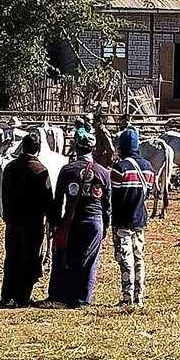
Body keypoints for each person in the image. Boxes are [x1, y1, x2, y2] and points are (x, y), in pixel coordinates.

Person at [48, 132, 111, 308]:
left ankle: (58, 295)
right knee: (89, 261)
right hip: (94, 220)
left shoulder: (68, 170)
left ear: (76, 147)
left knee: (63, 257)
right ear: (93, 149)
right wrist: (105, 225)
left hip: (71, 220)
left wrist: (55, 223)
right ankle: (82, 299)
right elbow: (107, 204)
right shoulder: (103, 173)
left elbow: (58, 199)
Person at [0, 129, 55, 307]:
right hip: (33, 222)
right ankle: (22, 296)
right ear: (38, 149)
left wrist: (7, 216)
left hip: (13, 221)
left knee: (12, 256)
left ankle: (7, 294)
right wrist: (52, 222)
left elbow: (4, 195)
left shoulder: (10, 167)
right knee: (29, 257)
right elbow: (48, 199)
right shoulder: (40, 170)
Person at [110, 130, 155, 306]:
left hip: (122, 219)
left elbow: (113, 195)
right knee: (139, 258)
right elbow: (148, 193)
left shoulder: (119, 168)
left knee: (125, 258)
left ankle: (127, 297)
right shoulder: (148, 167)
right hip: (140, 219)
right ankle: (139, 297)